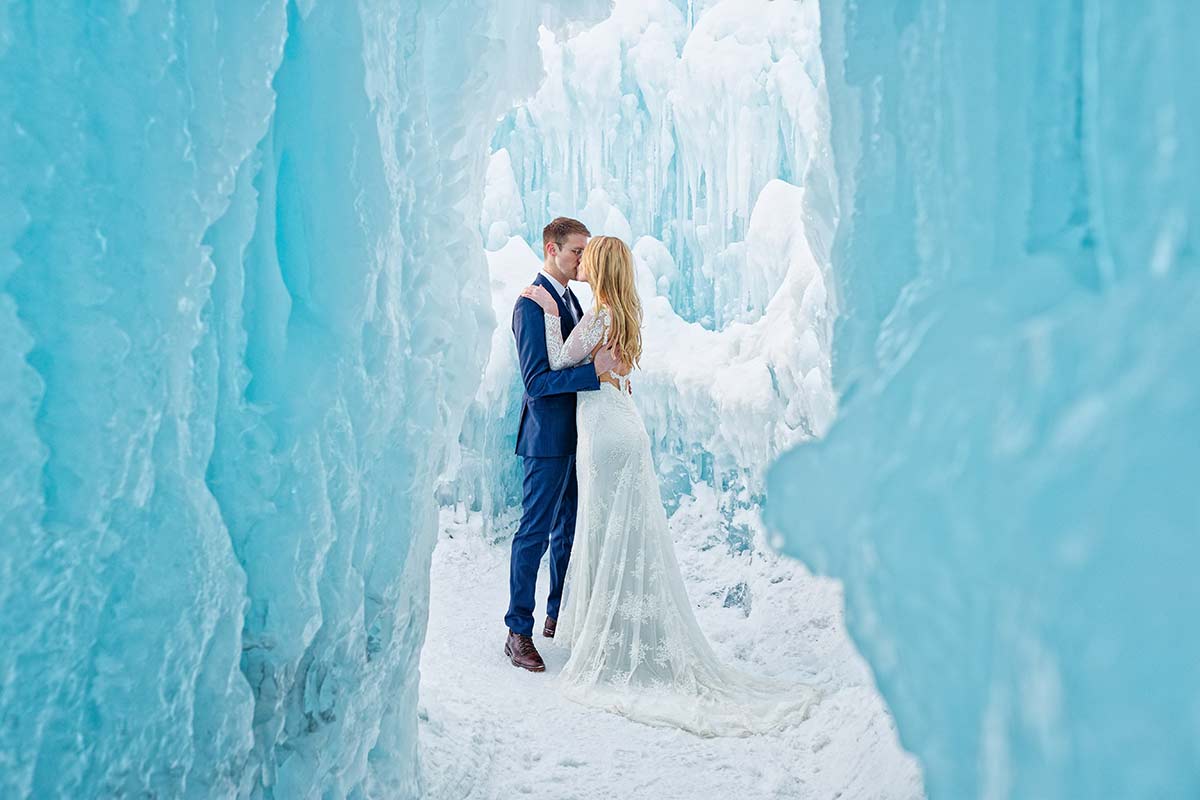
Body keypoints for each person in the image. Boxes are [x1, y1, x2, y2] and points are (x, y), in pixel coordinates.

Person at [519, 236, 818, 736]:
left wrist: (544, 305)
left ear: (601, 268)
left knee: (605, 531)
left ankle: (611, 634)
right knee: (622, 534)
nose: (581, 261)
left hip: (605, 433)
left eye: (589, 257)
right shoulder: (620, 313)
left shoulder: (597, 317)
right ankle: (619, 626)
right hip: (620, 425)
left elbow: (557, 359)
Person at [504, 218, 620, 672]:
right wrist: (595, 372)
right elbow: (536, 382)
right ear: (552, 249)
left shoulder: (571, 299)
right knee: (534, 533)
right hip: (547, 439)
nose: (583, 259)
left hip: (581, 435)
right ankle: (518, 631)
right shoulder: (530, 304)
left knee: (569, 530)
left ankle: (557, 616)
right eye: (577, 251)